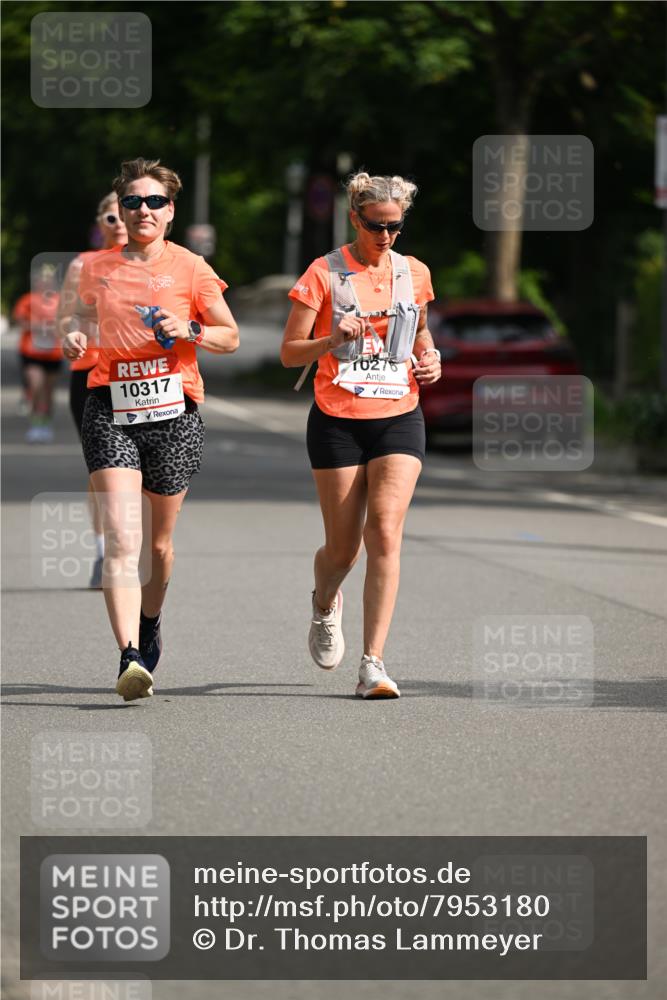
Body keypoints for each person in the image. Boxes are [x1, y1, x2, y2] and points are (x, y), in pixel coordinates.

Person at [62, 157, 239, 701]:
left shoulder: (192, 267)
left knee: (158, 548)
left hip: (174, 413)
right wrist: (73, 335)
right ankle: (129, 656)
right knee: (122, 538)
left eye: (154, 201)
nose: (143, 210)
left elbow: (229, 336)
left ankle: (150, 619)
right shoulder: (95, 267)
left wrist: (190, 329)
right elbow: (75, 317)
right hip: (109, 407)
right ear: (120, 209)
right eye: (132, 201)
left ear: (170, 211)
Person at [281, 172, 442, 699]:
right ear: (355, 218)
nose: (386, 236)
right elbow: (289, 352)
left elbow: (420, 333)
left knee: (386, 532)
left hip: (399, 414)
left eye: (395, 227)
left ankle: (373, 663)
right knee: (343, 548)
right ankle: (325, 603)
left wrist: (431, 359)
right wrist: (329, 339)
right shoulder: (323, 272)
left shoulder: (414, 272)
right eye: (376, 226)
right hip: (338, 419)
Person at [57, 194, 128, 587]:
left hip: (140, 377)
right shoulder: (82, 265)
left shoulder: (158, 263)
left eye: (124, 215)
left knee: (145, 469)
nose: (119, 223)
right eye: (110, 217)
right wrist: (74, 333)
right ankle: (106, 550)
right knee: (103, 470)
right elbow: (64, 319)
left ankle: (138, 545)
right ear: (100, 223)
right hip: (91, 375)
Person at [13, 265, 63, 442]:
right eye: (42, 279)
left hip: (53, 354)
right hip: (31, 352)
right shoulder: (27, 300)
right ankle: (35, 424)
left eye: (48, 279)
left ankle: (45, 424)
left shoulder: (60, 300)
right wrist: (37, 327)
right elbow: (20, 321)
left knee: (48, 391)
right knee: (36, 386)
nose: (45, 282)